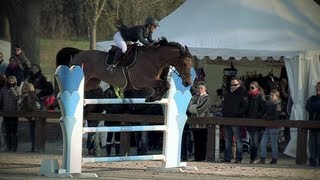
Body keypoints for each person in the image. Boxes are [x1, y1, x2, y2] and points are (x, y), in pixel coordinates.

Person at [221, 76, 249, 163]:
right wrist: (225, 114)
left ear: (239, 84)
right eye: (231, 85)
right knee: (227, 140)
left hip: (237, 119)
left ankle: (238, 158)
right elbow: (224, 105)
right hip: (227, 119)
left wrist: (237, 114)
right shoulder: (228, 93)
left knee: (238, 140)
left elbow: (245, 107)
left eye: (235, 85)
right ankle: (227, 158)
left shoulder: (243, 93)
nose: (232, 86)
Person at [188, 83, 212, 161]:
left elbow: (201, 108)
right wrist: (194, 108)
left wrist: (194, 108)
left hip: (203, 123)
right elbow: (188, 107)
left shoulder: (207, 98)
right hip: (194, 123)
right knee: (196, 141)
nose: (200, 90)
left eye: (201, 88)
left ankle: (202, 158)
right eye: (198, 88)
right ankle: (197, 158)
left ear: (205, 89)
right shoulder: (194, 97)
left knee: (202, 141)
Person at [258, 89, 282, 164]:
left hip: (274, 127)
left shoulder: (278, 104)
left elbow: (276, 116)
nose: (271, 96)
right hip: (268, 126)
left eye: (273, 95)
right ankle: (263, 159)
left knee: (273, 144)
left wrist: (266, 117)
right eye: (270, 95)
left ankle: (274, 159)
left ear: (277, 96)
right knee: (263, 143)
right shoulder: (269, 104)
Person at [246, 81, 266, 164]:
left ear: (257, 88)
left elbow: (263, 109)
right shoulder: (249, 96)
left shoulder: (260, 96)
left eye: (252, 88)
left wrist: (256, 116)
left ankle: (255, 158)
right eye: (250, 87)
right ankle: (252, 158)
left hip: (257, 123)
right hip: (250, 122)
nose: (250, 89)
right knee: (252, 143)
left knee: (256, 143)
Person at [0, 76, 21, 152]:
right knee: (7, 131)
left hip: (14, 112)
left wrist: (12, 89)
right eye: (10, 81)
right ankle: (8, 147)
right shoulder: (3, 89)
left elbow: (17, 98)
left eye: (12, 81)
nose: (11, 82)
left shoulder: (17, 88)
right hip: (6, 112)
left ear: (15, 81)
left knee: (14, 131)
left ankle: (14, 147)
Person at [20, 82, 41, 152]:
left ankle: (33, 148)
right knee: (35, 132)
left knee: (33, 132)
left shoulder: (27, 96)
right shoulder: (34, 94)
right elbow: (38, 104)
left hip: (32, 115)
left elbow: (27, 106)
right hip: (35, 115)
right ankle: (34, 148)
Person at [305, 81, 320, 167]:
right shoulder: (312, 98)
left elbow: (315, 107)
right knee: (311, 145)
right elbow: (307, 107)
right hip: (312, 126)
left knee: (319, 144)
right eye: (317, 87)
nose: (317, 88)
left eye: (319, 87)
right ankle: (312, 161)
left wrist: (314, 106)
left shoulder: (313, 100)